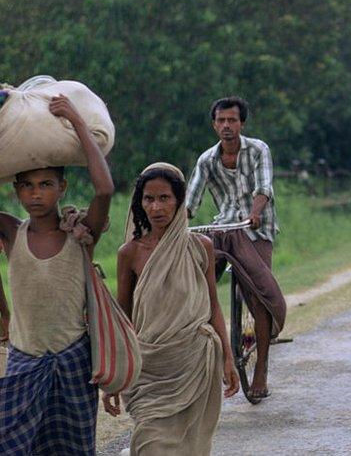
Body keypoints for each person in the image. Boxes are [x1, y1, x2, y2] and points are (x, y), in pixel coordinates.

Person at [0, 95, 113, 454]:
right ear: (16, 191)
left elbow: (105, 189)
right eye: (28, 186)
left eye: (46, 184)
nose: (36, 194)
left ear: (61, 188)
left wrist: (77, 121)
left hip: (73, 361)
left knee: (74, 448)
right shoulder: (11, 232)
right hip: (23, 359)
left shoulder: (80, 234)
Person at [105, 164, 240, 454]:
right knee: (149, 445)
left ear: (179, 201)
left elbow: (212, 306)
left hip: (194, 363)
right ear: (139, 203)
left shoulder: (200, 246)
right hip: (149, 370)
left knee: (191, 447)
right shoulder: (129, 253)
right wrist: (115, 376)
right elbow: (123, 317)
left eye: (164, 198)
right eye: (149, 199)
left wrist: (228, 358)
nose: (156, 207)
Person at [186, 96, 286, 399]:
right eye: (221, 120)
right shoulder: (207, 160)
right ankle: (195, 357)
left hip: (256, 230)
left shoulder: (258, 150)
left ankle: (261, 370)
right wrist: (178, 222)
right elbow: (191, 200)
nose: (227, 126)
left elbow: (264, 188)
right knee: (197, 287)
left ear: (241, 123)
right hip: (224, 229)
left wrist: (255, 212)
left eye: (232, 120)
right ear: (214, 124)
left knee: (258, 297)